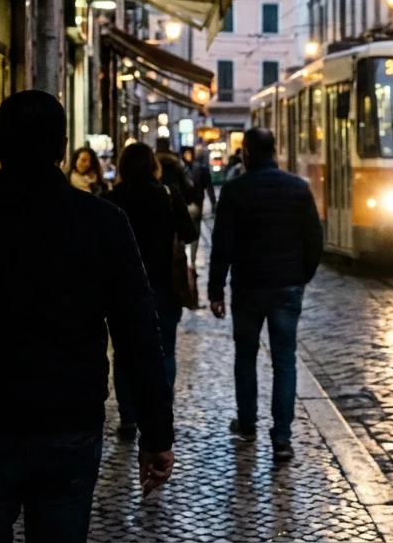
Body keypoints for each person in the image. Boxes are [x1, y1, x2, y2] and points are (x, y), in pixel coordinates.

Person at [0, 91, 174, 543]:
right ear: (63, 149)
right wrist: (156, 432)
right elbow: (138, 335)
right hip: (68, 425)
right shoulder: (103, 223)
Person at [207, 128, 322, 463]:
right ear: (275, 151)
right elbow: (314, 239)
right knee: (285, 360)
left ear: (246, 155)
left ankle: (247, 422)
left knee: (246, 355)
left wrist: (216, 289)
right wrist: (302, 276)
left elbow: (222, 244)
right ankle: (282, 438)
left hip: (248, 287)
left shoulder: (234, 190)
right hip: (287, 286)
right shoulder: (298, 189)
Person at [106, 143, 198, 438]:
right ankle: (161, 410)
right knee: (164, 351)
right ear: (154, 166)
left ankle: (128, 417)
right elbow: (189, 233)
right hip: (163, 284)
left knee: (123, 353)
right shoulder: (168, 196)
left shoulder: (113, 198)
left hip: (122, 287)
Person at [181, 145, 212, 263]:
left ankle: (191, 261)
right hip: (191, 203)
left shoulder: (181, 168)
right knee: (194, 232)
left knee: (193, 231)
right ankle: (191, 261)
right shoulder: (185, 168)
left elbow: (207, 186)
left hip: (191, 203)